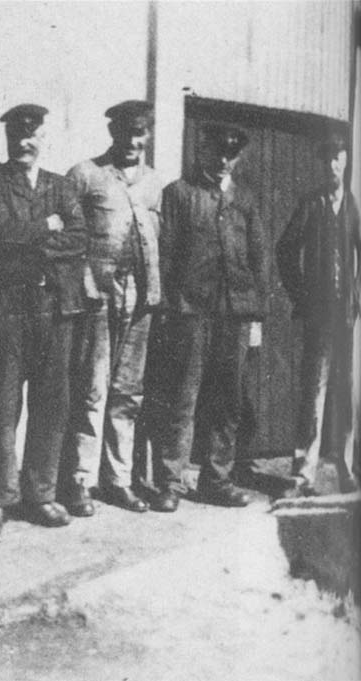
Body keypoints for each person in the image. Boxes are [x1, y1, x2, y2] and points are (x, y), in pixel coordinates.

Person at [0, 104, 89, 535]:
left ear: (43, 138)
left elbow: (79, 238)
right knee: (3, 406)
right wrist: (46, 228)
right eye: (17, 135)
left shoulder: (61, 186)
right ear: (8, 138)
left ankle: (42, 494)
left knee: (52, 404)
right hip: (9, 309)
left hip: (55, 308)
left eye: (32, 135)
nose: (24, 142)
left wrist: (35, 240)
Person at [146, 123, 264, 510]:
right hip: (190, 313)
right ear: (203, 152)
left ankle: (217, 479)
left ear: (238, 158)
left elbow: (258, 259)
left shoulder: (245, 200)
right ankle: (170, 482)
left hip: (235, 315)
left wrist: (256, 315)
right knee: (182, 397)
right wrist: (167, 306)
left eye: (231, 155)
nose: (224, 160)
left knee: (227, 399)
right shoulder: (180, 194)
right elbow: (165, 253)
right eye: (217, 152)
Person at [63, 100, 164, 515]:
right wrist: (87, 282)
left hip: (139, 298)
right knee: (93, 389)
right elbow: (70, 239)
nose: (132, 142)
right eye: (125, 133)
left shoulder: (155, 183)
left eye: (140, 133)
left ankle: (118, 480)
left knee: (127, 393)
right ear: (113, 134)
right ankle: (80, 481)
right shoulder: (86, 175)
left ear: (147, 136)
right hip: (99, 297)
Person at [277, 129, 360, 495]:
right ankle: (304, 471)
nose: (332, 166)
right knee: (314, 391)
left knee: (346, 390)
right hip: (319, 315)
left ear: (346, 162)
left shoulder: (354, 205)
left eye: (337, 158)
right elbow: (285, 250)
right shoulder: (311, 203)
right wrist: (302, 294)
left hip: (348, 315)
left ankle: (344, 466)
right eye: (326, 159)